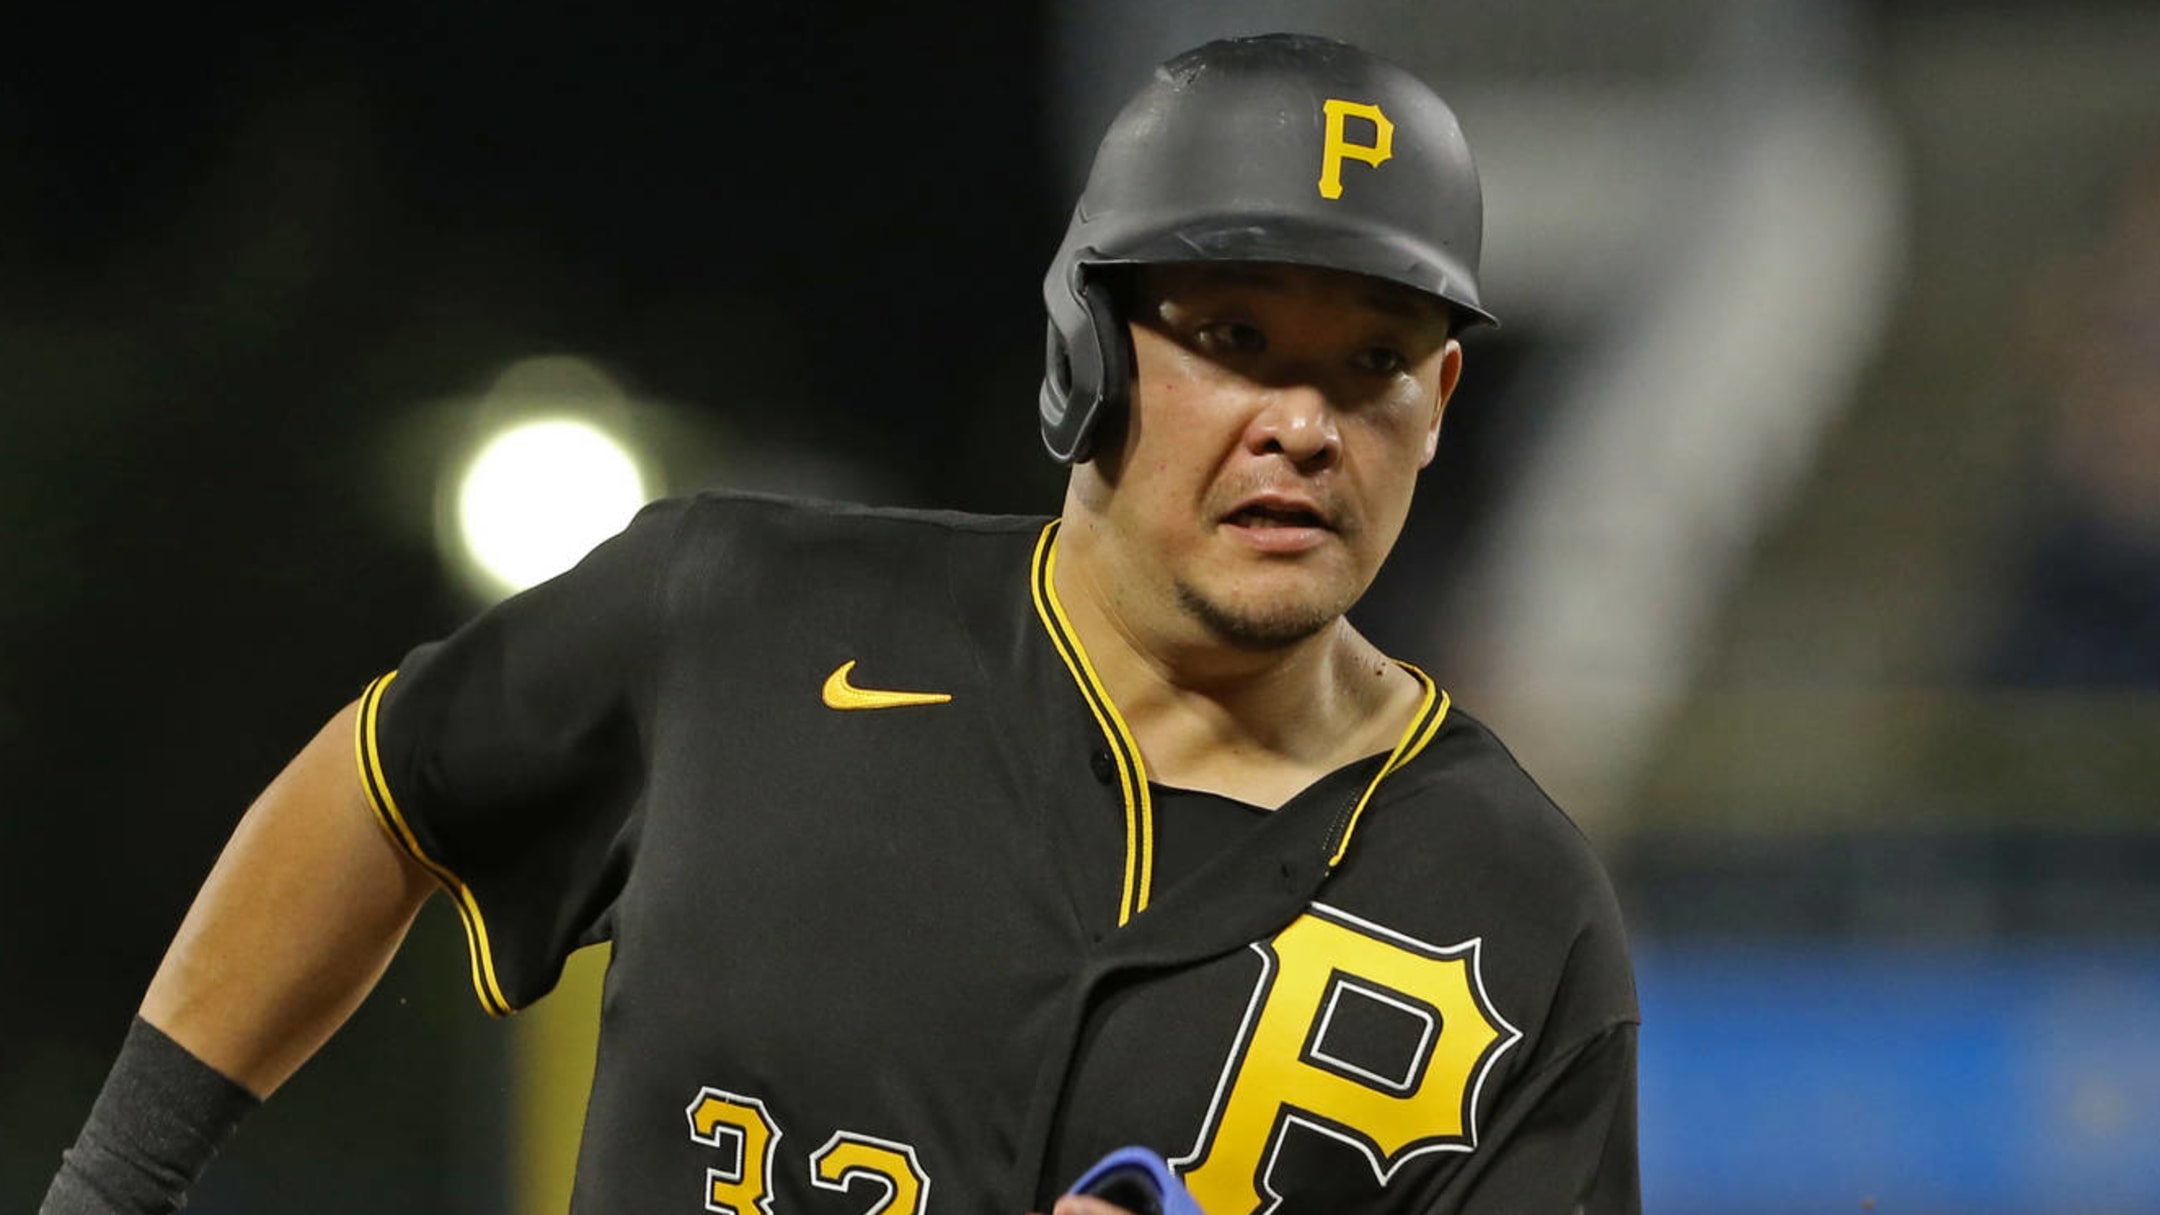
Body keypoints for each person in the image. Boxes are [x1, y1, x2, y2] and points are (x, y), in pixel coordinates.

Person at [44, 32, 1639, 1215]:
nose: (1304, 422)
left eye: (1369, 362)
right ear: (1089, 352)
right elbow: (383, 788)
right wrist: (115, 1185)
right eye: (1234, 337)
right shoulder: (734, 622)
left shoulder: (1513, 901)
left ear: (1437, 402)